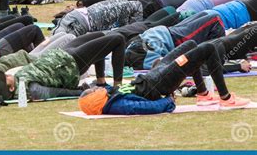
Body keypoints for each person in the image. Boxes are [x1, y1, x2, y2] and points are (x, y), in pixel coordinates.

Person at [78, 40, 250, 116]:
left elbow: (105, 87)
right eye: (93, 91)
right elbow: (145, 108)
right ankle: (226, 97)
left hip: (155, 75)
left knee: (190, 45)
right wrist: (168, 101)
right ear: (95, 100)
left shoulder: (109, 96)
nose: (96, 88)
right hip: (161, 83)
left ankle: (203, 94)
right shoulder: (116, 105)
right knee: (208, 48)